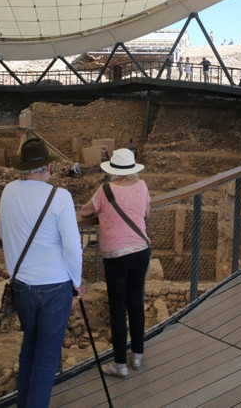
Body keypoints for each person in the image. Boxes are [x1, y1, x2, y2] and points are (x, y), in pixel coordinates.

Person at [0, 138, 84, 406]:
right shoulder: (60, 197)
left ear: (23, 168)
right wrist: (78, 281)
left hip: (22, 285)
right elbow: (72, 247)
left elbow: (4, 232)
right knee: (47, 358)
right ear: (47, 167)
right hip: (55, 287)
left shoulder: (8, 191)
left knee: (29, 350)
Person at [80, 149, 151, 377]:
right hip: (141, 250)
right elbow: (146, 211)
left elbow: (85, 212)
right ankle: (137, 356)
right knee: (136, 301)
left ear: (113, 171)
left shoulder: (105, 190)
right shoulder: (143, 186)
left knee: (118, 307)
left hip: (116, 256)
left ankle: (120, 363)